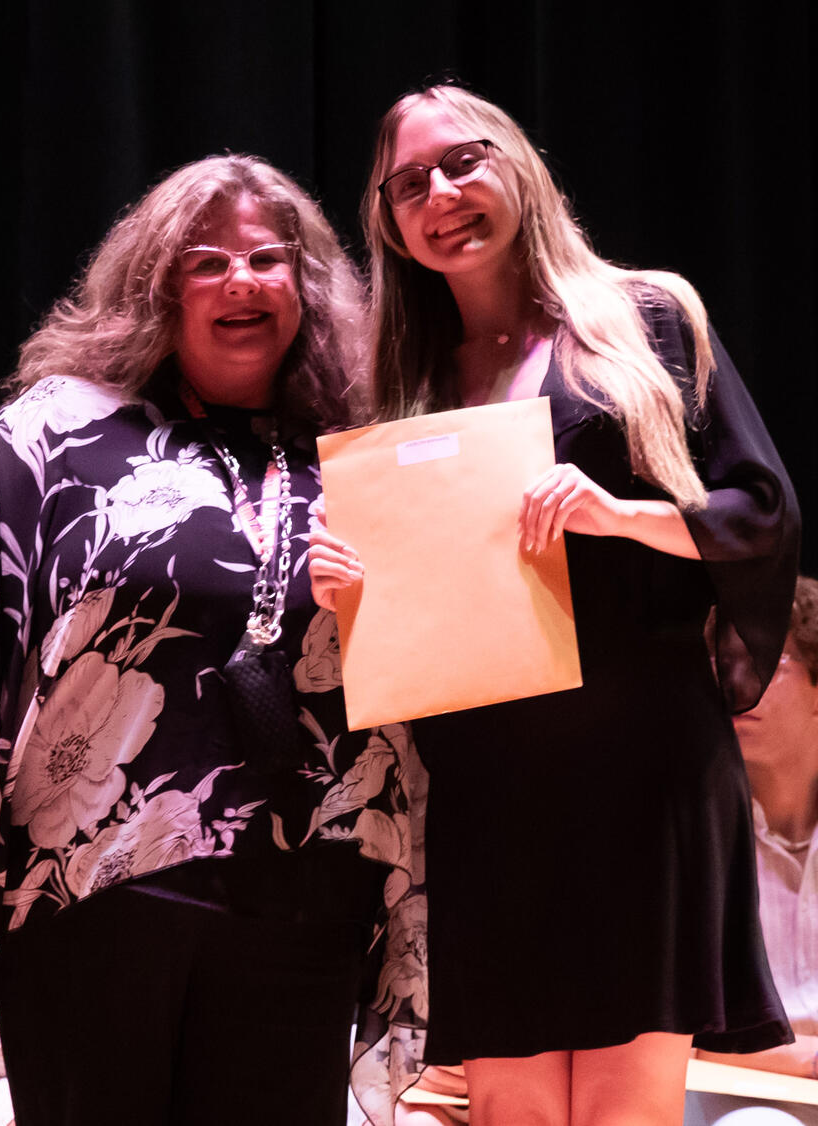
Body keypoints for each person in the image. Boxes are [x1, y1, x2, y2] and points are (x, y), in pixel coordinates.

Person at [0, 154, 423, 1126]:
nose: (241, 281)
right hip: (92, 891)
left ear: (305, 286)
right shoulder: (55, 431)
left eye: (267, 259)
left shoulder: (358, 448)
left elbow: (429, 654)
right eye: (207, 262)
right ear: (156, 287)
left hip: (305, 891)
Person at [309, 84, 800, 1126]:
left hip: (645, 762)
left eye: (464, 161)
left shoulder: (646, 318)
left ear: (519, 166)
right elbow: (409, 620)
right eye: (409, 184)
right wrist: (351, 586)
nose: (441, 195)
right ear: (388, 222)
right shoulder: (402, 386)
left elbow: (759, 515)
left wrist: (622, 516)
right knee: (515, 1114)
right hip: (493, 783)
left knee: (622, 1113)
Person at [686, 576, 818, 1125]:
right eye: (723, 663)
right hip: (724, 1102)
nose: (735, 682)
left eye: (765, 660)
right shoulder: (695, 836)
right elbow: (686, 1038)